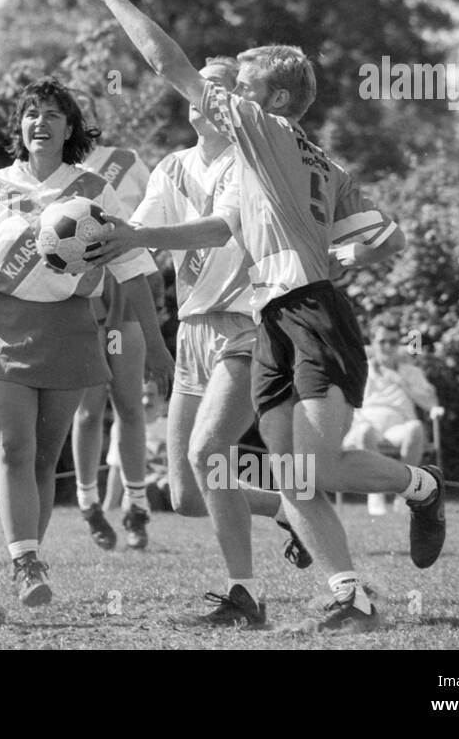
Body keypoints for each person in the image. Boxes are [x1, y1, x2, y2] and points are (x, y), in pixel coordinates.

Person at [81, 0, 438, 633]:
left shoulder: (262, 128)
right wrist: (338, 253)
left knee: (312, 468)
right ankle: (344, 596)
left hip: (301, 311)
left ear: (272, 98)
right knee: (287, 473)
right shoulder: (308, 160)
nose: (224, 94)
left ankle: (415, 494)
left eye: (238, 83)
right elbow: (385, 237)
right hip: (277, 314)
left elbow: (168, 65)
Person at [0, 76, 172, 608]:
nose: (40, 123)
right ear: (19, 128)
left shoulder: (95, 190)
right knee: (13, 449)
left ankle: (31, 555)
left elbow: (134, 265)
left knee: (45, 459)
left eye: (52, 115)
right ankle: (25, 562)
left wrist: (158, 342)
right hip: (1, 328)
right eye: (31, 114)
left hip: (72, 329)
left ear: (70, 127)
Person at [86, 48, 315, 627]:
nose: (205, 95)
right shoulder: (171, 167)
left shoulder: (253, 162)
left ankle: (244, 595)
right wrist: (95, 251)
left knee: (207, 453)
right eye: (204, 86)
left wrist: (136, 232)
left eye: (221, 88)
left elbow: (216, 231)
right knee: (187, 494)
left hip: (246, 324)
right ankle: (292, 510)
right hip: (192, 331)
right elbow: (144, 244)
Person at [70, 134, 155, 550]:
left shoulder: (127, 160)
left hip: (126, 290)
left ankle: (136, 507)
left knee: (129, 403)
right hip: (84, 297)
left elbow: (156, 213)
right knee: (87, 410)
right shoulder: (61, 171)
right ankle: (88, 504)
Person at [343, 315, 442, 514]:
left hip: (399, 426)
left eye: (393, 342)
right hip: (367, 424)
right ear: (372, 342)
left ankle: (405, 492)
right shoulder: (361, 369)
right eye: (382, 341)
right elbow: (349, 403)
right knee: (364, 431)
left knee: (415, 427)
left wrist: (400, 381)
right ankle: (375, 494)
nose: (387, 346)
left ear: (399, 344)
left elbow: (431, 404)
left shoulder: (411, 371)